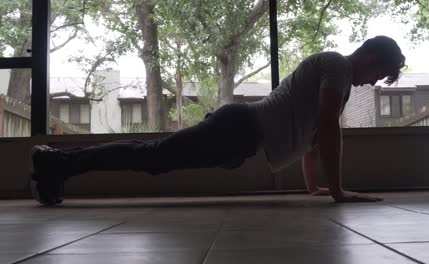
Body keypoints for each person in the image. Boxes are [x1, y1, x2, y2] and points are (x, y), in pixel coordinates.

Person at [30, 35, 406, 206]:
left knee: (154, 159)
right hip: (237, 126)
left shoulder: (338, 82)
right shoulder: (337, 66)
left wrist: (315, 188)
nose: (373, 82)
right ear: (369, 55)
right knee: (152, 156)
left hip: (239, 135)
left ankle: (57, 165)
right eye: (379, 72)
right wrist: (339, 191)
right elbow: (327, 130)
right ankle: (56, 162)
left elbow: (314, 140)